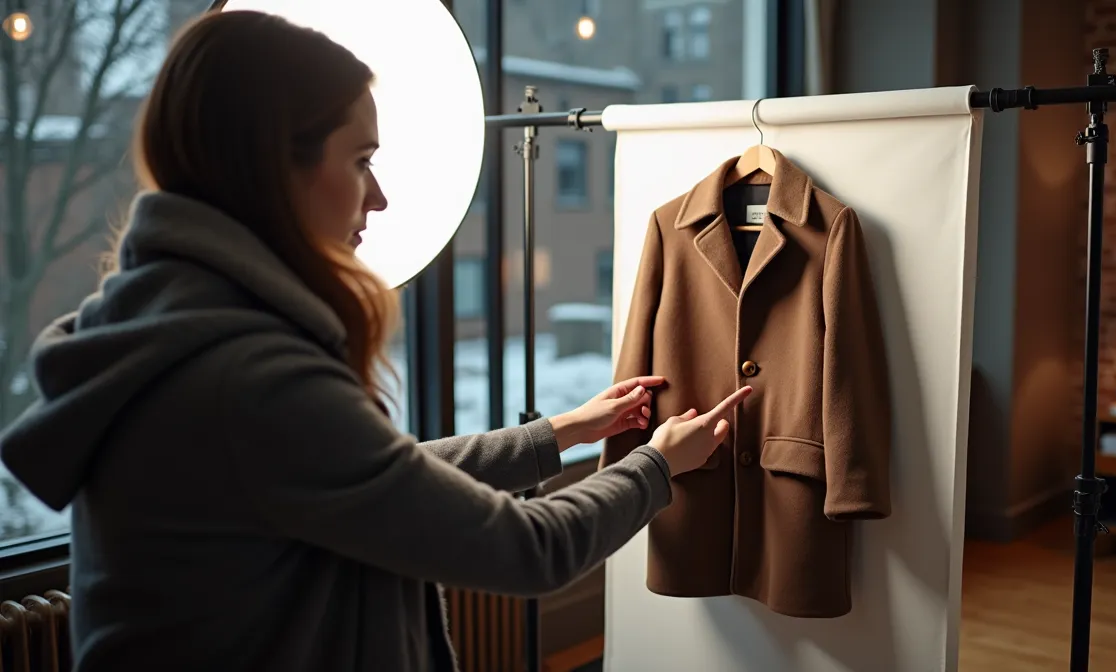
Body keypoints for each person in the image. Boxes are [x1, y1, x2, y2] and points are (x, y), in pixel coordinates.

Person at [0, 10, 752, 672]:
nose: (381, 196)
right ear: (273, 168)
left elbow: (364, 478)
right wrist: (657, 468)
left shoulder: (164, 324)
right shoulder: (252, 377)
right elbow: (527, 550)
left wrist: (564, 431)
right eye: (361, 159)